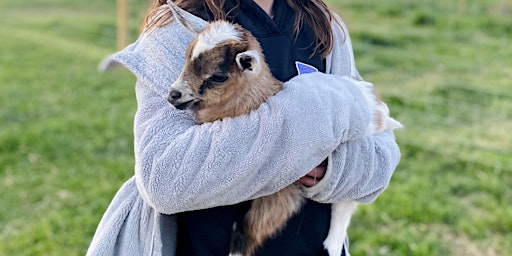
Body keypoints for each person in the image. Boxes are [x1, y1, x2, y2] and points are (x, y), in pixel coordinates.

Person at [87, 0, 401, 255]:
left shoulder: (324, 28)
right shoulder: (178, 28)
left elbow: (378, 158)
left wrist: (328, 167)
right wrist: (308, 123)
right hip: (205, 245)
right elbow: (165, 177)